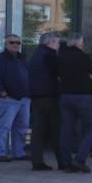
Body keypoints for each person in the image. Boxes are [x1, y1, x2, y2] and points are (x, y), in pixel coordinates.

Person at [56, 32, 92, 172]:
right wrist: (87, 79)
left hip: (65, 96)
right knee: (91, 127)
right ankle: (79, 160)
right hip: (83, 97)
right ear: (79, 44)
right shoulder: (83, 57)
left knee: (66, 131)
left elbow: (56, 75)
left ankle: (66, 162)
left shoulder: (60, 57)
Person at [25, 32, 61, 171]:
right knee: (56, 129)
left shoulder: (34, 55)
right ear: (50, 43)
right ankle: (62, 161)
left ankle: (37, 161)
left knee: (38, 131)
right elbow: (57, 73)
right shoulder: (50, 55)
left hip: (36, 97)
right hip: (49, 96)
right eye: (57, 42)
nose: (58, 45)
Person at [0, 34, 30, 163]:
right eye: (12, 42)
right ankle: (0, 153)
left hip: (24, 99)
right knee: (4, 127)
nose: (15, 45)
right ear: (6, 44)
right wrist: (3, 93)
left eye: (18, 43)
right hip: (8, 100)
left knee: (22, 126)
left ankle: (18, 152)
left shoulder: (22, 58)